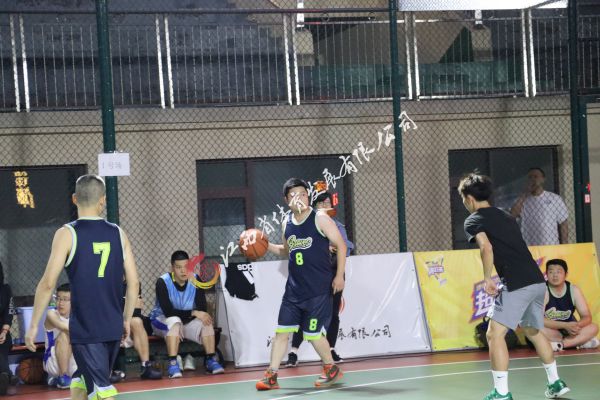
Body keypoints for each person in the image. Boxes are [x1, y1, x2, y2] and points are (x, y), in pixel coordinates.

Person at [25, 174, 140, 400]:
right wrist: (126, 319)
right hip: (112, 325)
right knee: (82, 382)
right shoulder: (119, 233)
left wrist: (33, 325)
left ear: (74, 199)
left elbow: (48, 283)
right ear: (103, 200)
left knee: (102, 393)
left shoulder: (67, 234)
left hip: (87, 328)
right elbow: (134, 282)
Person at [458, 172, 570, 400]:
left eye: (463, 199)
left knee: (494, 334)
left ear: (469, 199)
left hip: (516, 282)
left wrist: (487, 278)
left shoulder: (473, 219)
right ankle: (555, 382)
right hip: (537, 281)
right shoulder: (505, 215)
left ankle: (501, 392)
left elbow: (486, 247)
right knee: (533, 331)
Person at [256, 178, 346, 391]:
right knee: (281, 333)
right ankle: (271, 375)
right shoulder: (286, 222)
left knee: (312, 334)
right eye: (294, 194)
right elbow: (286, 251)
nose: (299, 198)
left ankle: (330, 368)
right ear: (286, 200)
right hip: (294, 291)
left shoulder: (320, 218)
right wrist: (264, 244)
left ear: (308, 196)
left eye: (303, 194)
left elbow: (341, 245)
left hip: (318, 290)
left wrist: (339, 276)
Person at [285, 189, 354, 367]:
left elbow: (345, 246)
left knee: (333, 312)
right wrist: (325, 246)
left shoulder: (338, 225)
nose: (324, 205)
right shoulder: (308, 223)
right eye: (321, 202)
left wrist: (339, 275)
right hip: (312, 274)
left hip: (334, 271)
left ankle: (330, 349)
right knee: (305, 310)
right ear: (314, 205)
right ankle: (293, 351)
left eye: (327, 202)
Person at [149, 250, 224, 378]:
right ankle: (173, 364)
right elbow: (169, 312)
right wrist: (194, 312)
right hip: (161, 321)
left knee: (205, 321)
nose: (183, 271)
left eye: (186, 266)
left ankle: (211, 360)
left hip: (185, 321)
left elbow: (202, 308)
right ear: (172, 268)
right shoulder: (162, 282)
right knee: (174, 321)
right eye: (179, 267)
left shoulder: (195, 279)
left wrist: (198, 314)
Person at [542, 258, 599, 350]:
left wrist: (576, 326)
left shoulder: (573, 290)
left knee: (594, 327)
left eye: (559, 272)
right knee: (534, 328)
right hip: (552, 332)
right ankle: (578, 343)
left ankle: (560, 345)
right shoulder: (542, 291)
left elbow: (586, 316)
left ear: (566, 274)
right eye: (551, 272)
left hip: (571, 331)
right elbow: (540, 320)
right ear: (547, 274)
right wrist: (565, 326)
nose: (555, 275)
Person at [112, 281, 162, 381]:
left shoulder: (133, 283)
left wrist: (122, 308)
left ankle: (146, 366)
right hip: (111, 326)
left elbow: (136, 312)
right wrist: (128, 305)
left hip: (127, 328)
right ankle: (108, 371)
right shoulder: (107, 283)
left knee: (137, 321)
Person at [510, 167, 568, 246]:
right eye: (530, 177)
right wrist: (525, 194)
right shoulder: (524, 200)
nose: (533, 179)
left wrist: (565, 244)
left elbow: (563, 223)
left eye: (536, 176)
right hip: (530, 246)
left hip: (550, 246)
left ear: (543, 179)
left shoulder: (554, 198)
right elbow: (512, 214)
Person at [43, 283, 77, 389]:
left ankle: (106, 372)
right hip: (54, 362)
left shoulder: (79, 315)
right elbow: (66, 328)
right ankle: (63, 377)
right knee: (65, 334)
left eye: (65, 299)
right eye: (58, 298)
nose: (60, 303)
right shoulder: (51, 314)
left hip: (74, 358)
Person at [0, 262, 17, 396]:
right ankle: (8, 374)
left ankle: (5, 376)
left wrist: (4, 332)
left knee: (3, 343)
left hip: (2, 332)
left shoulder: (5, 289)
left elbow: (9, 312)